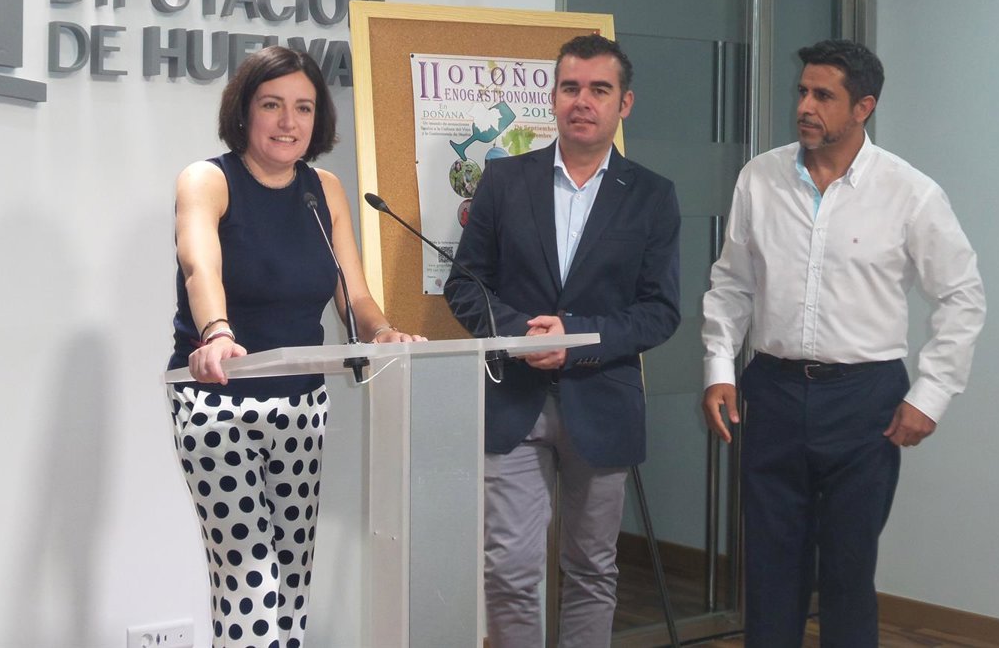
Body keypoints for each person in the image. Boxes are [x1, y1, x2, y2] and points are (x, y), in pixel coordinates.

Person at [701, 40, 985, 647]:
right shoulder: (760, 178)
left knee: (848, 570)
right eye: (802, 92)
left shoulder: (910, 193)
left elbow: (962, 296)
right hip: (773, 391)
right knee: (770, 567)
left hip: (865, 401)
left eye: (823, 96)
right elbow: (732, 284)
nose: (805, 106)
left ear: (863, 107)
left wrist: (930, 395)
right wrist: (719, 367)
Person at [167, 46, 421, 648]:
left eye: (303, 108)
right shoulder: (208, 180)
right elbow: (200, 266)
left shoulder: (322, 189)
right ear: (243, 112)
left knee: (291, 574)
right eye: (272, 105)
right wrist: (217, 332)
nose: (289, 122)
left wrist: (383, 332)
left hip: (302, 403)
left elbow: (354, 294)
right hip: (218, 400)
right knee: (250, 579)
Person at [444, 34, 681, 647]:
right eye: (571, 87)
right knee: (508, 568)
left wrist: (574, 337)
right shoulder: (504, 180)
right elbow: (464, 286)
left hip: (602, 401)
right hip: (514, 402)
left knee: (592, 569)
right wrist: (522, 336)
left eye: (599, 89)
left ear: (624, 103)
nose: (583, 101)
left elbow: (659, 312)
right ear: (552, 98)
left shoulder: (652, 195)